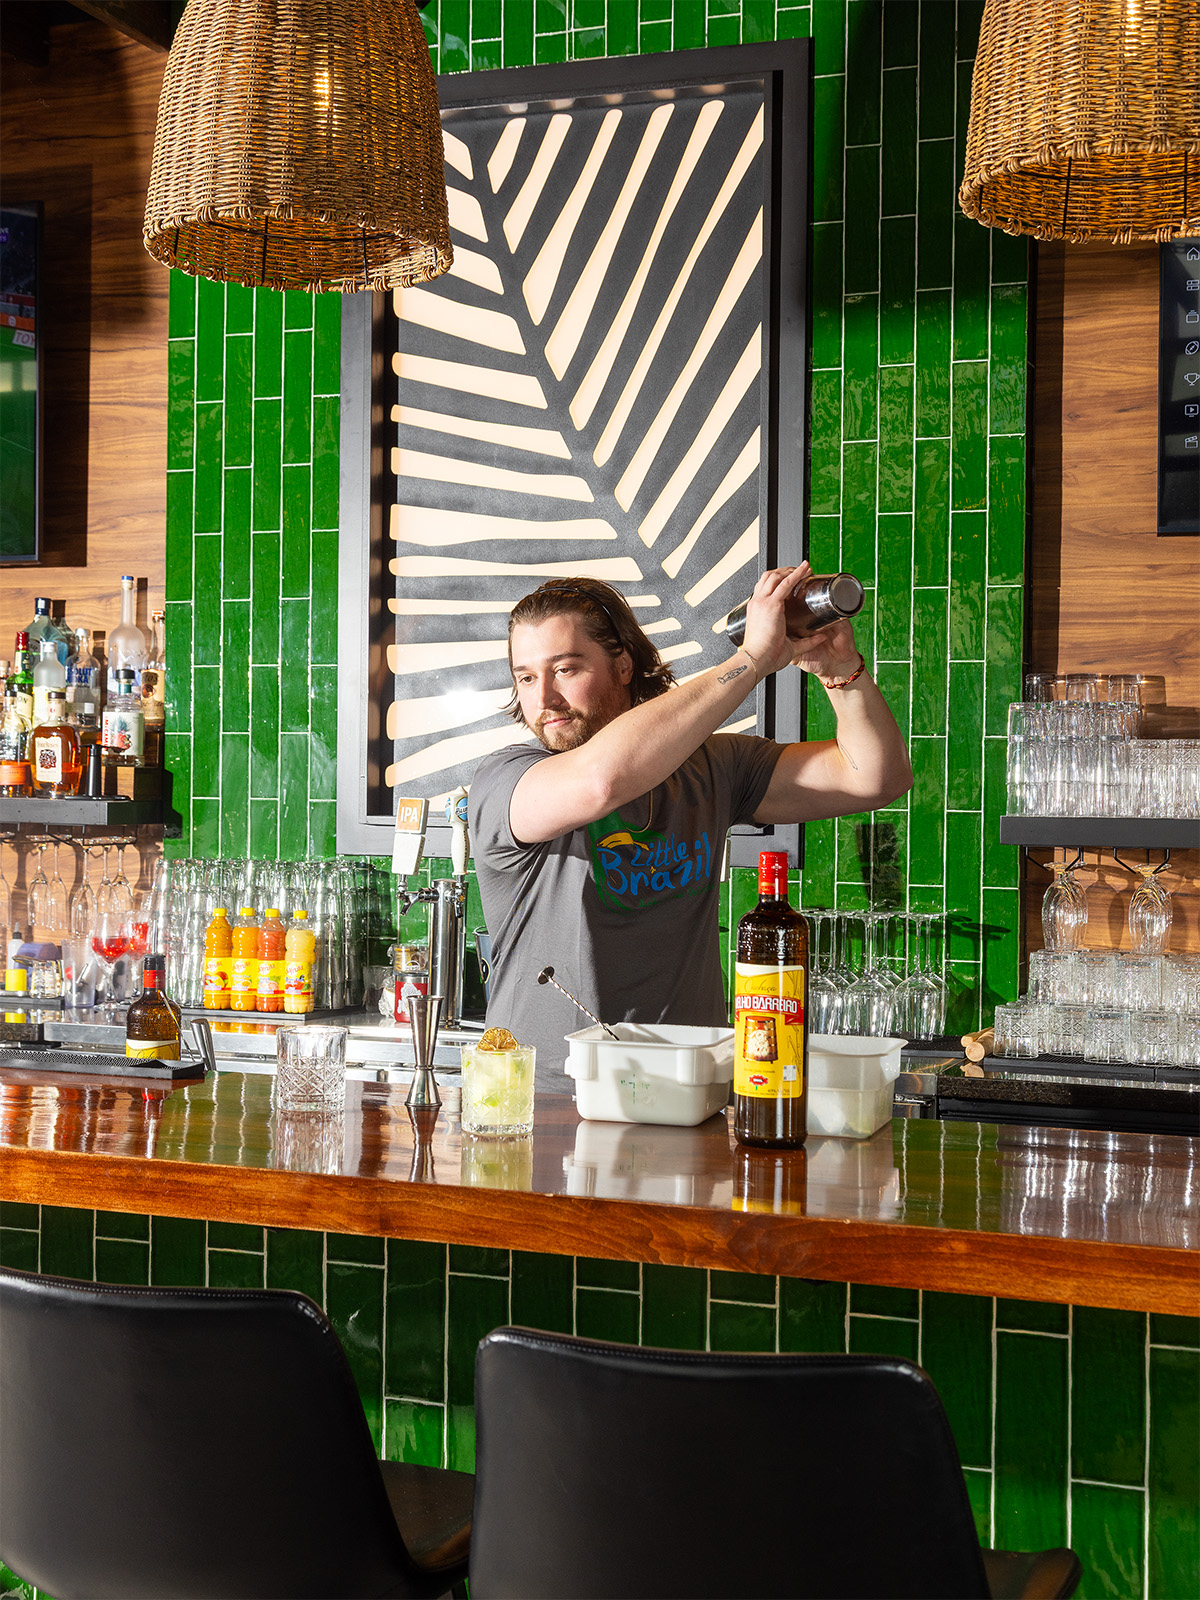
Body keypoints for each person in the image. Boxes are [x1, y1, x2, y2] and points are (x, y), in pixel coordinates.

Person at [468, 565, 912, 1090]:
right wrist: (749, 661)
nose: (543, 698)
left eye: (565, 669)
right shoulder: (507, 780)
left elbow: (875, 778)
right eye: (526, 677)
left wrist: (842, 672)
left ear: (624, 665)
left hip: (691, 1088)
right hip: (547, 1095)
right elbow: (600, 782)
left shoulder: (713, 767)